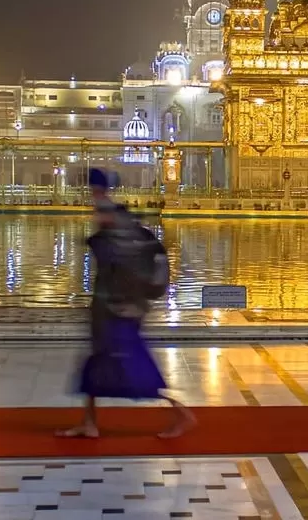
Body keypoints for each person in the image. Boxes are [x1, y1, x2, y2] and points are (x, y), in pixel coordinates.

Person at [58, 168, 195, 440]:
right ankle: (89, 423)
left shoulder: (113, 217)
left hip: (118, 310)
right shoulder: (116, 216)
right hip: (112, 305)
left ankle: (182, 414)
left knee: (133, 370)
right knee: (97, 366)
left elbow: (118, 260)